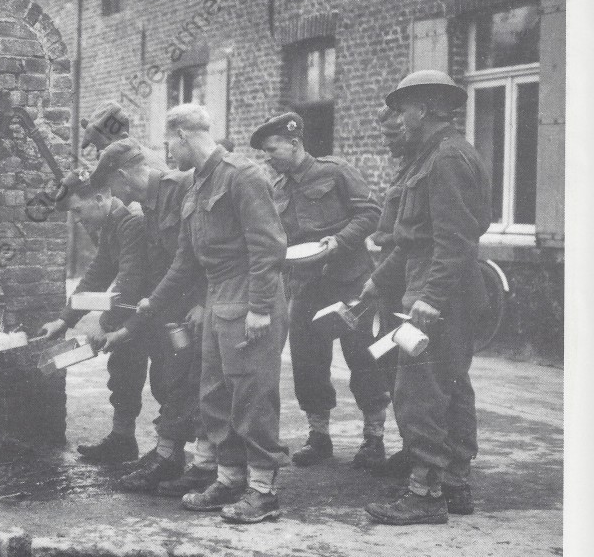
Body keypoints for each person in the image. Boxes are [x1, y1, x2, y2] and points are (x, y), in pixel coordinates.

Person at [137, 103, 290, 524]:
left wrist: (259, 308)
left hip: (249, 296)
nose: (166, 151)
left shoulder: (242, 176)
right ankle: (229, 478)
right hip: (218, 296)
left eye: (169, 141)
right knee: (214, 394)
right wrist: (154, 301)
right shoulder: (195, 187)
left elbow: (269, 246)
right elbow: (185, 261)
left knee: (252, 394)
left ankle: (262, 490)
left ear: (183, 135)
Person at [362, 70, 492, 524]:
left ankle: (425, 494)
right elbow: (414, 238)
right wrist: (380, 280)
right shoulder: (431, 155)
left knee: (420, 387)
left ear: (425, 107)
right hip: (432, 283)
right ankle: (454, 483)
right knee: (450, 384)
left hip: (441, 292)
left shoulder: (447, 158)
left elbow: (456, 241)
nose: (399, 117)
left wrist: (431, 297)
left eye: (403, 108)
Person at [250, 112, 390, 470]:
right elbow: (281, 239)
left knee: (362, 358)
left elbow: (372, 213)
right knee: (308, 361)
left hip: (350, 281)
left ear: (295, 143)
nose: (268, 158)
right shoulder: (279, 188)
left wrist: (338, 241)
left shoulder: (336, 171)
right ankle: (319, 436)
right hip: (306, 286)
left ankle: (374, 438)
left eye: (272, 149)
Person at [88, 137, 209, 493]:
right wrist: (134, 323)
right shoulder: (149, 206)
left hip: (206, 303)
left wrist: (202, 299)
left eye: (111, 185)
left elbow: (206, 251)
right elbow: (165, 268)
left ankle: (206, 466)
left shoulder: (183, 188)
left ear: (123, 176)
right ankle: (170, 455)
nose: (112, 195)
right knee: (173, 378)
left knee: (196, 382)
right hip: (174, 305)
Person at [37, 173, 151, 463]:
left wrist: (109, 327)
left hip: (157, 311)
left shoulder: (131, 221)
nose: (76, 218)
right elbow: (96, 276)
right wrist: (64, 320)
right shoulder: (113, 224)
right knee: (124, 372)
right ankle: (123, 439)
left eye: (77, 210)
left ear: (99, 199)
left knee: (169, 382)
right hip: (135, 312)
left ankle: (170, 454)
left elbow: (131, 281)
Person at [370, 105, 413, 478]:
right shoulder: (405, 166)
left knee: (414, 371)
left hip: (405, 284)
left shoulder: (425, 168)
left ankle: (428, 456)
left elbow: (410, 241)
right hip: (392, 284)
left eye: (394, 134)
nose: (389, 143)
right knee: (391, 367)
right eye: (385, 136)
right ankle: (412, 446)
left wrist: (378, 278)